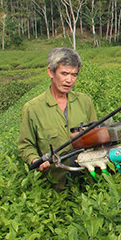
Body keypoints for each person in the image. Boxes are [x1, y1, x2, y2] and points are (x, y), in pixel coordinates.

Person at [17, 47, 98, 188]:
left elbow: (96, 134)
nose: (69, 80)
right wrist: (35, 160)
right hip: (54, 184)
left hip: (86, 181)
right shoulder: (33, 108)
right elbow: (26, 145)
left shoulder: (85, 102)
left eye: (74, 75)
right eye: (64, 73)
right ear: (51, 72)